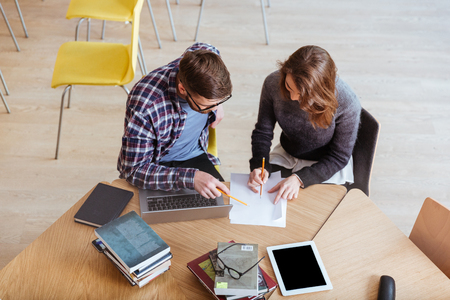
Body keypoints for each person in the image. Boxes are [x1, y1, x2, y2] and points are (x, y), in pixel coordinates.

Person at [248, 45, 361, 204]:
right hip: (288, 153)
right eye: (289, 87)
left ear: (321, 92)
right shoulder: (272, 83)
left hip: (326, 163)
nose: (293, 97)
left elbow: (339, 156)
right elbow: (263, 132)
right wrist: (259, 165)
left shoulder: (347, 102)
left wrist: (299, 179)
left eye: (302, 95)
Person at [118, 43, 232, 199]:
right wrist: (191, 178)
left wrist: (216, 103)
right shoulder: (145, 105)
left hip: (195, 156)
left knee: (221, 210)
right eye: (207, 105)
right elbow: (133, 170)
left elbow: (206, 46)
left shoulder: (202, 57)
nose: (214, 109)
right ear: (183, 89)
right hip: (156, 167)